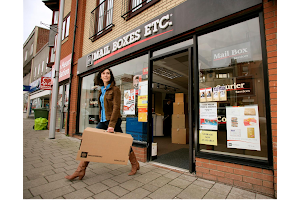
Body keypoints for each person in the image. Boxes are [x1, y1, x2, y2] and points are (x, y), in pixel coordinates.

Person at [65, 68, 140, 180]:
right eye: (103, 73)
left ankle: (135, 164)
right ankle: (80, 170)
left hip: (113, 121)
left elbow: (116, 107)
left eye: (108, 73)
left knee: (123, 144)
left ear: (111, 76)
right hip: (103, 121)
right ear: (100, 76)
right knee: (90, 142)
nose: (106, 75)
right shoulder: (101, 90)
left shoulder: (115, 89)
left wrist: (111, 125)